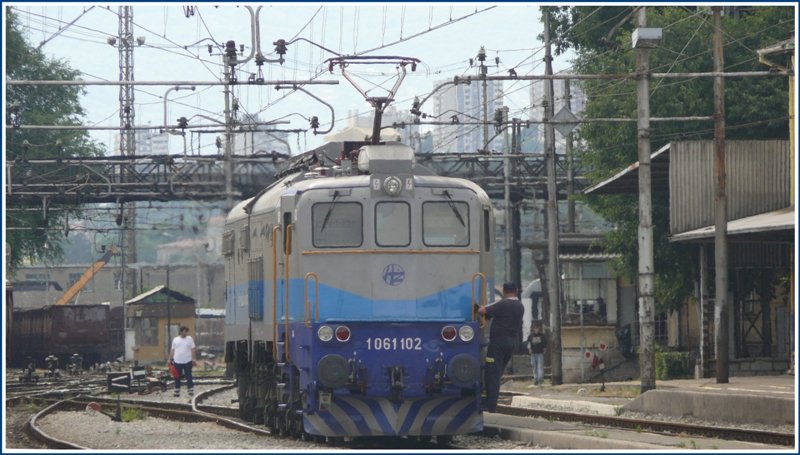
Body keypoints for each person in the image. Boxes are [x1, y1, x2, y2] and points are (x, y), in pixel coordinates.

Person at [477, 281, 524, 412]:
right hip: (510, 343)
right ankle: (491, 402)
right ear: (516, 290)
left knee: (492, 373)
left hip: (498, 343)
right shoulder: (520, 306)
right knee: (497, 374)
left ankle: (490, 405)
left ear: (503, 291)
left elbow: (482, 311)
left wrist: (476, 307)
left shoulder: (503, 304)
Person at [169, 326, 197, 398]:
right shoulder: (175, 340)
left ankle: (190, 390)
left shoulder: (189, 339)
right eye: (185, 331)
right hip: (177, 361)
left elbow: (193, 349)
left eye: (187, 331)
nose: (186, 333)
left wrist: (193, 359)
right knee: (177, 376)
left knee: (189, 376)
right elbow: (172, 350)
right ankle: (177, 390)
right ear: (181, 332)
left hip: (187, 361)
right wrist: (170, 359)